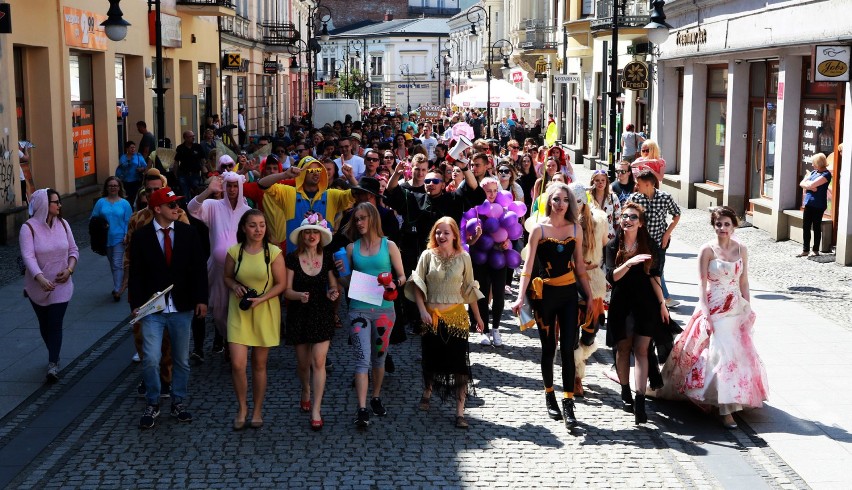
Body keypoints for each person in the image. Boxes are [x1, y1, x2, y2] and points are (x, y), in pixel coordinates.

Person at [658, 207, 767, 428]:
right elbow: (701, 283)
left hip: (735, 307)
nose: (723, 228)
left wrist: (748, 306)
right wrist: (704, 310)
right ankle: (726, 409)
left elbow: (744, 281)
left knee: (737, 354)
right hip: (715, 306)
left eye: (727, 224)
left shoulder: (741, 249)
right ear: (714, 226)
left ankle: (733, 399)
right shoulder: (706, 250)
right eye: (719, 224)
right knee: (720, 354)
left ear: (734, 226)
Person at [510, 183, 593, 429]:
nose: (560, 204)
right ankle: (549, 394)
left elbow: (579, 265)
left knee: (568, 348)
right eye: (556, 199)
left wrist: (588, 295)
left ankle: (568, 403)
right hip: (544, 295)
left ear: (570, 204)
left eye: (565, 200)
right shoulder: (538, 229)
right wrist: (519, 296)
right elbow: (527, 267)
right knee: (549, 348)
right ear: (549, 201)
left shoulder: (576, 229)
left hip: (568, 294)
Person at [129, 187, 208, 429]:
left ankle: (179, 401)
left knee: (181, 360)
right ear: (157, 209)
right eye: (171, 205)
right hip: (153, 309)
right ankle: (153, 401)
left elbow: (198, 270)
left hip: (182, 307)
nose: (177, 208)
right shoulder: (142, 237)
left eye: (177, 204)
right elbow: (136, 274)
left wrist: (201, 299)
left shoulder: (188, 233)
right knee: (151, 359)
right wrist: (136, 305)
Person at [405, 218, 484, 428]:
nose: (442, 236)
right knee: (431, 361)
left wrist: (478, 317)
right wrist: (422, 311)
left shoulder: (464, 257)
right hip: (431, 317)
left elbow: (470, 288)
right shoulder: (427, 255)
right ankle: (428, 390)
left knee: (459, 365)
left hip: (457, 317)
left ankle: (460, 412)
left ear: (455, 235)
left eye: (446, 233)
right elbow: (417, 285)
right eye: (438, 232)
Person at [337, 202, 406, 429]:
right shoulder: (350, 249)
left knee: (379, 357)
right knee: (361, 358)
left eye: (363, 218)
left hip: (385, 309)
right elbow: (347, 283)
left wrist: (393, 284)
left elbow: (403, 277)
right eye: (356, 219)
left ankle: (375, 397)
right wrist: (341, 273)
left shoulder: (390, 245)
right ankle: (362, 408)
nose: (359, 223)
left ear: (373, 219)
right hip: (358, 308)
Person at [604, 202, 669, 425]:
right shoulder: (613, 245)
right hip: (622, 303)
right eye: (624, 216)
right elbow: (612, 277)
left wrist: (662, 304)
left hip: (645, 303)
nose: (627, 220)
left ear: (640, 223)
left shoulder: (649, 245)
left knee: (642, 350)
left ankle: (640, 400)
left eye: (632, 217)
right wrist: (629, 262)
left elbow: (655, 276)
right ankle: (625, 391)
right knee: (623, 348)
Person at [223, 210, 286, 430]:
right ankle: (242, 407)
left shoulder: (274, 252)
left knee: (259, 365)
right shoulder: (234, 252)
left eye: (261, 225)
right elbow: (227, 277)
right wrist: (235, 286)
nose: (258, 230)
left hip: (264, 311)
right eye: (252, 225)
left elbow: (281, 284)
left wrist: (262, 299)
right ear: (243, 228)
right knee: (238, 364)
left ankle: (257, 409)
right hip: (239, 312)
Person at [284, 216, 340, 431]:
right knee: (303, 364)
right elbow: (286, 290)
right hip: (299, 313)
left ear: (321, 236)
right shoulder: (291, 258)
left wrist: (333, 293)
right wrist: (298, 295)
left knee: (318, 361)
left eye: (315, 232)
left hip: (321, 312)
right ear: (301, 236)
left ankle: (317, 409)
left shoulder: (327, 258)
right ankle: (305, 389)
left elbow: (333, 286)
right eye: (307, 232)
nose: (311, 236)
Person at [20, 189, 79, 382]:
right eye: (55, 202)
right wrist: (39, 278)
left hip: (61, 283)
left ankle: (53, 363)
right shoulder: (28, 228)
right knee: (45, 324)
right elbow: (28, 256)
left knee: (55, 323)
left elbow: (73, 250)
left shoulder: (63, 224)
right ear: (44, 205)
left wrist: (69, 269)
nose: (59, 205)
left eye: (59, 202)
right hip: (38, 285)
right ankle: (54, 351)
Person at [188, 172, 251, 350]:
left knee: (238, 309)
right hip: (218, 270)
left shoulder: (247, 212)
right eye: (228, 185)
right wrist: (208, 191)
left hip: (241, 271)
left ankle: (235, 345)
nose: (231, 189)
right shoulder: (213, 206)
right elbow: (192, 208)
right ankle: (226, 338)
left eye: (235, 186)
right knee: (219, 312)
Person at [567, 183, 608, 397]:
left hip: (593, 281)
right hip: (570, 281)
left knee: (591, 330)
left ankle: (580, 357)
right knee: (572, 330)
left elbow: (605, 246)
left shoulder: (599, 220)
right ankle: (576, 378)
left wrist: (601, 268)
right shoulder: (564, 223)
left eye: (578, 203)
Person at [628, 170, 680, 308]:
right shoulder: (635, 198)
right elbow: (625, 215)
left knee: (657, 270)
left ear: (648, 184)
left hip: (659, 242)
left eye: (639, 184)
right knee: (642, 270)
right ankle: (658, 299)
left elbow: (676, 215)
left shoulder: (665, 197)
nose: (636, 186)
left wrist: (667, 234)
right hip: (640, 242)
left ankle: (662, 300)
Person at [90, 177, 132, 302]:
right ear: (106, 188)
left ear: (119, 187)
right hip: (105, 238)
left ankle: (117, 289)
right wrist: (101, 225)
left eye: (115, 185)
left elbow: (128, 221)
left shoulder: (125, 203)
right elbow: (93, 219)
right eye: (110, 185)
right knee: (112, 263)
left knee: (117, 263)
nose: (113, 188)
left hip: (119, 237)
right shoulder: (101, 202)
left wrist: (126, 235)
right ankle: (119, 283)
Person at [797, 153, 832, 257]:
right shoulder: (813, 172)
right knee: (806, 227)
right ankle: (805, 249)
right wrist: (810, 187)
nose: (812, 165)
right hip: (808, 203)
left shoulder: (826, 174)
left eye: (814, 163)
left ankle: (815, 249)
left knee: (816, 227)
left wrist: (809, 185)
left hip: (818, 204)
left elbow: (811, 184)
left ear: (819, 163)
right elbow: (801, 183)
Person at [589, 169, 621, 242]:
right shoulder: (588, 197)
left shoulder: (613, 197)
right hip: (593, 238)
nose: (600, 183)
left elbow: (618, 219)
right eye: (597, 180)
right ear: (592, 182)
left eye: (603, 180)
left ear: (606, 182)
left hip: (609, 238)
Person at [116, 141, 147, 205]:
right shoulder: (123, 157)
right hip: (125, 181)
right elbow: (120, 168)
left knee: (135, 197)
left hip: (136, 180)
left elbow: (145, 166)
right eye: (131, 147)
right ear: (127, 149)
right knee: (126, 197)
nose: (133, 149)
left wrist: (141, 169)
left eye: (134, 147)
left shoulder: (138, 156)